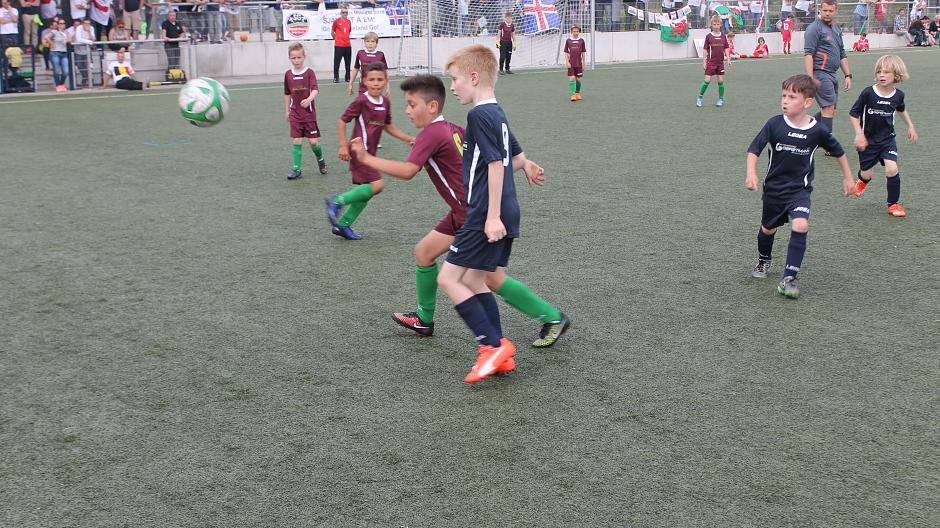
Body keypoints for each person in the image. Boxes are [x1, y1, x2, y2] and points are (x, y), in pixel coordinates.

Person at [348, 74, 571, 348]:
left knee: (489, 278)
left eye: (412, 104)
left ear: (432, 106)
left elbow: (408, 171)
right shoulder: (450, 129)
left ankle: (546, 319)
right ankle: (424, 319)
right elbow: (488, 153)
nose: (406, 110)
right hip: (461, 211)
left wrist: (366, 158)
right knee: (424, 252)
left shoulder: (432, 133)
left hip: (471, 213)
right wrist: (524, 162)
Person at [438, 44, 523, 383]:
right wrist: (528, 166)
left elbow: (495, 163)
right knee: (474, 280)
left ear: (474, 77)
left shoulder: (478, 116)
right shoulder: (496, 113)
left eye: (455, 79)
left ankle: (490, 347)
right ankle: (501, 354)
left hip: (486, 213)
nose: (453, 87)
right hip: (506, 210)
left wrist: (491, 217)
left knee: (448, 279)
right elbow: (515, 157)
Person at [745, 74, 854, 299]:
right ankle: (764, 260)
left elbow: (839, 151)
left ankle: (789, 278)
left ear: (807, 102)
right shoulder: (774, 124)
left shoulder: (817, 130)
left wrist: (848, 178)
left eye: (792, 97)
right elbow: (754, 149)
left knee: (801, 225)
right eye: (783, 96)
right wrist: (751, 173)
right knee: (767, 229)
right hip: (774, 190)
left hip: (799, 191)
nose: (785, 101)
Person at [325, 62, 413, 240]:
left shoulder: (385, 102)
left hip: (370, 155)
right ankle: (337, 201)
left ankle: (343, 225)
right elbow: (342, 121)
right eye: (371, 79)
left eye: (380, 79)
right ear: (364, 81)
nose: (376, 83)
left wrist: (407, 138)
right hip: (359, 151)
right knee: (377, 185)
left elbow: (388, 126)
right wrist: (343, 145)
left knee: (366, 193)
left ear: (386, 81)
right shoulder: (361, 101)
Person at [849, 55, 918, 218]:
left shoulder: (898, 95)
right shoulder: (868, 93)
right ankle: (862, 181)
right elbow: (854, 114)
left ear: (896, 74)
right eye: (879, 71)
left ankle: (893, 204)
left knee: (892, 169)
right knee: (867, 174)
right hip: (868, 141)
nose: (881, 75)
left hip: (887, 139)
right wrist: (859, 134)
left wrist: (911, 126)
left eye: (886, 72)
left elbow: (901, 109)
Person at [804, 0, 852, 133]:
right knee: (828, 108)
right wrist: (810, 79)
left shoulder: (836, 28)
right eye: (825, 10)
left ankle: (803, 131)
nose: (827, 13)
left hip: (832, 74)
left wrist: (848, 75)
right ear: (820, 10)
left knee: (830, 109)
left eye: (831, 11)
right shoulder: (814, 28)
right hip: (820, 74)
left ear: (836, 11)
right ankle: (827, 142)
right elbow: (808, 55)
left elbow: (842, 53)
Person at [284, 42, 328, 180]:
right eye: (293, 58)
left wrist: (309, 99)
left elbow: (315, 89)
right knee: (296, 140)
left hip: (308, 115)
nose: (296, 60)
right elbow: (287, 93)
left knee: (313, 142)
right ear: (289, 58)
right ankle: (296, 169)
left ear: (304, 57)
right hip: (295, 113)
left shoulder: (309, 73)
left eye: (299, 57)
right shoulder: (288, 75)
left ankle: (321, 160)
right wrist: (287, 111)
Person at [696, 16, 728, 108]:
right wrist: (704, 62)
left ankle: (721, 99)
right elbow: (705, 50)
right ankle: (699, 98)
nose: (716, 26)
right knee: (707, 80)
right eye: (714, 24)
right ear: (712, 25)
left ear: (720, 25)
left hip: (720, 63)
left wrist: (728, 58)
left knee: (720, 81)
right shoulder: (708, 37)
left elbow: (726, 48)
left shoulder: (723, 36)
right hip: (711, 63)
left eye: (718, 24)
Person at [347, 31, 387, 97]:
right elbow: (356, 68)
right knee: (361, 103)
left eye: (372, 41)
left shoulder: (380, 55)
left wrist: (387, 87)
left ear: (376, 43)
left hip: (376, 87)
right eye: (368, 41)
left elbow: (385, 71)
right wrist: (350, 83)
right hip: (363, 87)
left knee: (374, 103)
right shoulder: (360, 53)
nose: (370, 44)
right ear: (364, 43)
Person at [43, 18, 69, 90]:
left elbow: (70, 39)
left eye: (63, 23)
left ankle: (61, 84)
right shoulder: (54, 31)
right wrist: (52, 43)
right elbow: (46, 37)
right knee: (56, 70)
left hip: (64, 52)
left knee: (65, 71)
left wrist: (66, 41)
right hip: (55, 52)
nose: (63, 25)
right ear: (58, 25)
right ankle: (58, 85)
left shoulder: (66, 32)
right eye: (61, 23)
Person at [564, 24, 585, 101]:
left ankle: (577, 93)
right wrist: (567, 62)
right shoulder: (568, 41)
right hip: (571, 63)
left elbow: (583, 52)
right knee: (572, 78)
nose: (576, 33)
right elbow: (566, 52)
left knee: (578, 79)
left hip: (579, 63)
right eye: (574, 31)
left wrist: (584, 63)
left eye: (577, 31)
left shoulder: (581, 41)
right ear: (571, 32)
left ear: (579, 32)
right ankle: (573, 95)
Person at [72, 18, 95, 88]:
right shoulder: (79, 28)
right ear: (82, 24)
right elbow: (78, 39)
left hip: (87, 51)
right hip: (78, 51)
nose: (87, 25)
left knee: (87, 66)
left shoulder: (91, 28)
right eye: (85, 23)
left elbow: (93, 38)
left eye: (88, 23)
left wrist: (89, 32)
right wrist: (89, 41)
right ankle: (87, 77)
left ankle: (86, 79)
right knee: (79, 66)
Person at [331, 4, 351, 83]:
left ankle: (347, 77)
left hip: (348, 45)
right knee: (337, 63)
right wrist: (336, 39)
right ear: (340, 13)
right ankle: (336, 77)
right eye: (343, 12)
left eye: (346, 12)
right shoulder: (336, 21)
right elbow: (332, 32)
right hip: (339, 46)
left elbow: (349, 31)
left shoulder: (349, 22)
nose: (345, 14)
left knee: (348, 63)